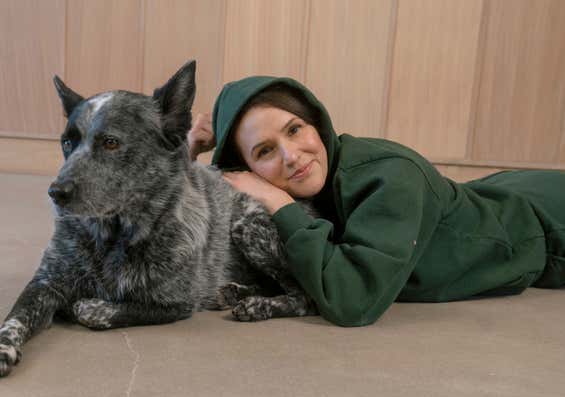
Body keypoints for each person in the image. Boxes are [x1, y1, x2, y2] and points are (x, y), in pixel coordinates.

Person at [187, 76, 565, 327]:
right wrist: (186, 150)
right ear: (246, 169)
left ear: (316, 122)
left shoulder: (391, 177)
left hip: (544, 225)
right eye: (265, 150)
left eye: (295, 129)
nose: (291, 156)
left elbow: (354, 299)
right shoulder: (310, 187)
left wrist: (276, 201)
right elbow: (170, 215)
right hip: (489, 194)